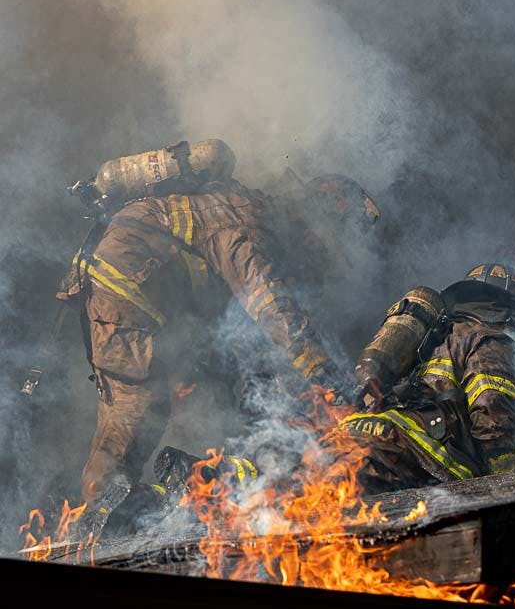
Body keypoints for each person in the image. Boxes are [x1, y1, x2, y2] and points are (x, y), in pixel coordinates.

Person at [62, 165, 379, 506]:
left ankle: (99, 505)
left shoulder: (243, 210)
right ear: (316, 217)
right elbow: (269, 304)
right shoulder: (248, 224)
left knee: (135, 400)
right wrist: (324, 376)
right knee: (137, 401)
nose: (327, 250)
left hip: (123, 277)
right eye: (332, 233)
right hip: (127, 277)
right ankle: (98, 507)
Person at [337, 263, 515, 493]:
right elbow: (492, 411)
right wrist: (510, 486)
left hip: (345, 442)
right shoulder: (487, 339)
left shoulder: (429, 337)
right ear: (512, 313)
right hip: (402, 455)